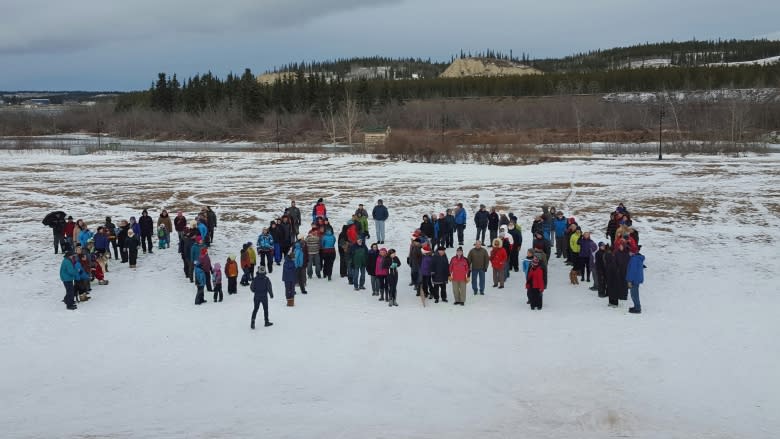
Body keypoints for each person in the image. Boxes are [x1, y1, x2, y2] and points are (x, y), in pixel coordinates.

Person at [626, 246, 646, 314]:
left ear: (633, 252)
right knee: (635, 294)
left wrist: (629, 280)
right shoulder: (638, 258)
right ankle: (636, 306)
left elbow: (632, 271)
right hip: (637, 279)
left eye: (630, 251)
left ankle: (637, 308)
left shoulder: (634, 259)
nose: (629, 253)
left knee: (634, 294)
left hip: (634, 280)